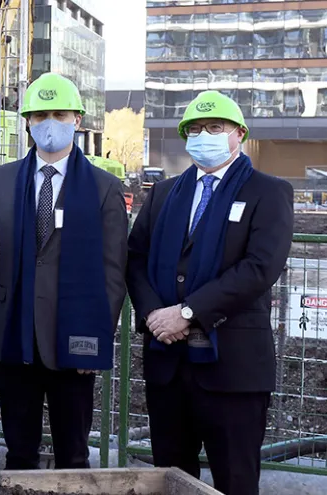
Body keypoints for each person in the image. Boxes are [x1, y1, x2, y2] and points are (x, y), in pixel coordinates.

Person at [0, 72, 127, 470]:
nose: (48, 124)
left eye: (58, 114)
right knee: (19, 452)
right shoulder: (3, 180)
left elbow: (113, 272)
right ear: (27, 121)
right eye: (39, 115)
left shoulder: (104, 187)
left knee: (73, 455)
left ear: (77, 119)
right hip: (15, 338)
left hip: (73, 340)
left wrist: (95, 338)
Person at [127, 91, 292, 495]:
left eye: (215, 128)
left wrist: (185, 313)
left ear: (239, 134)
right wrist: (153, 315)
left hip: (232, 371)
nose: (204, 136)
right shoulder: (165, 194)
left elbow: (259, 268)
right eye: (195, 129)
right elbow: (135, 257)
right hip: (169, 367)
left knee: (235, 480)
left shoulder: (268, 192)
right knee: (170, 479)